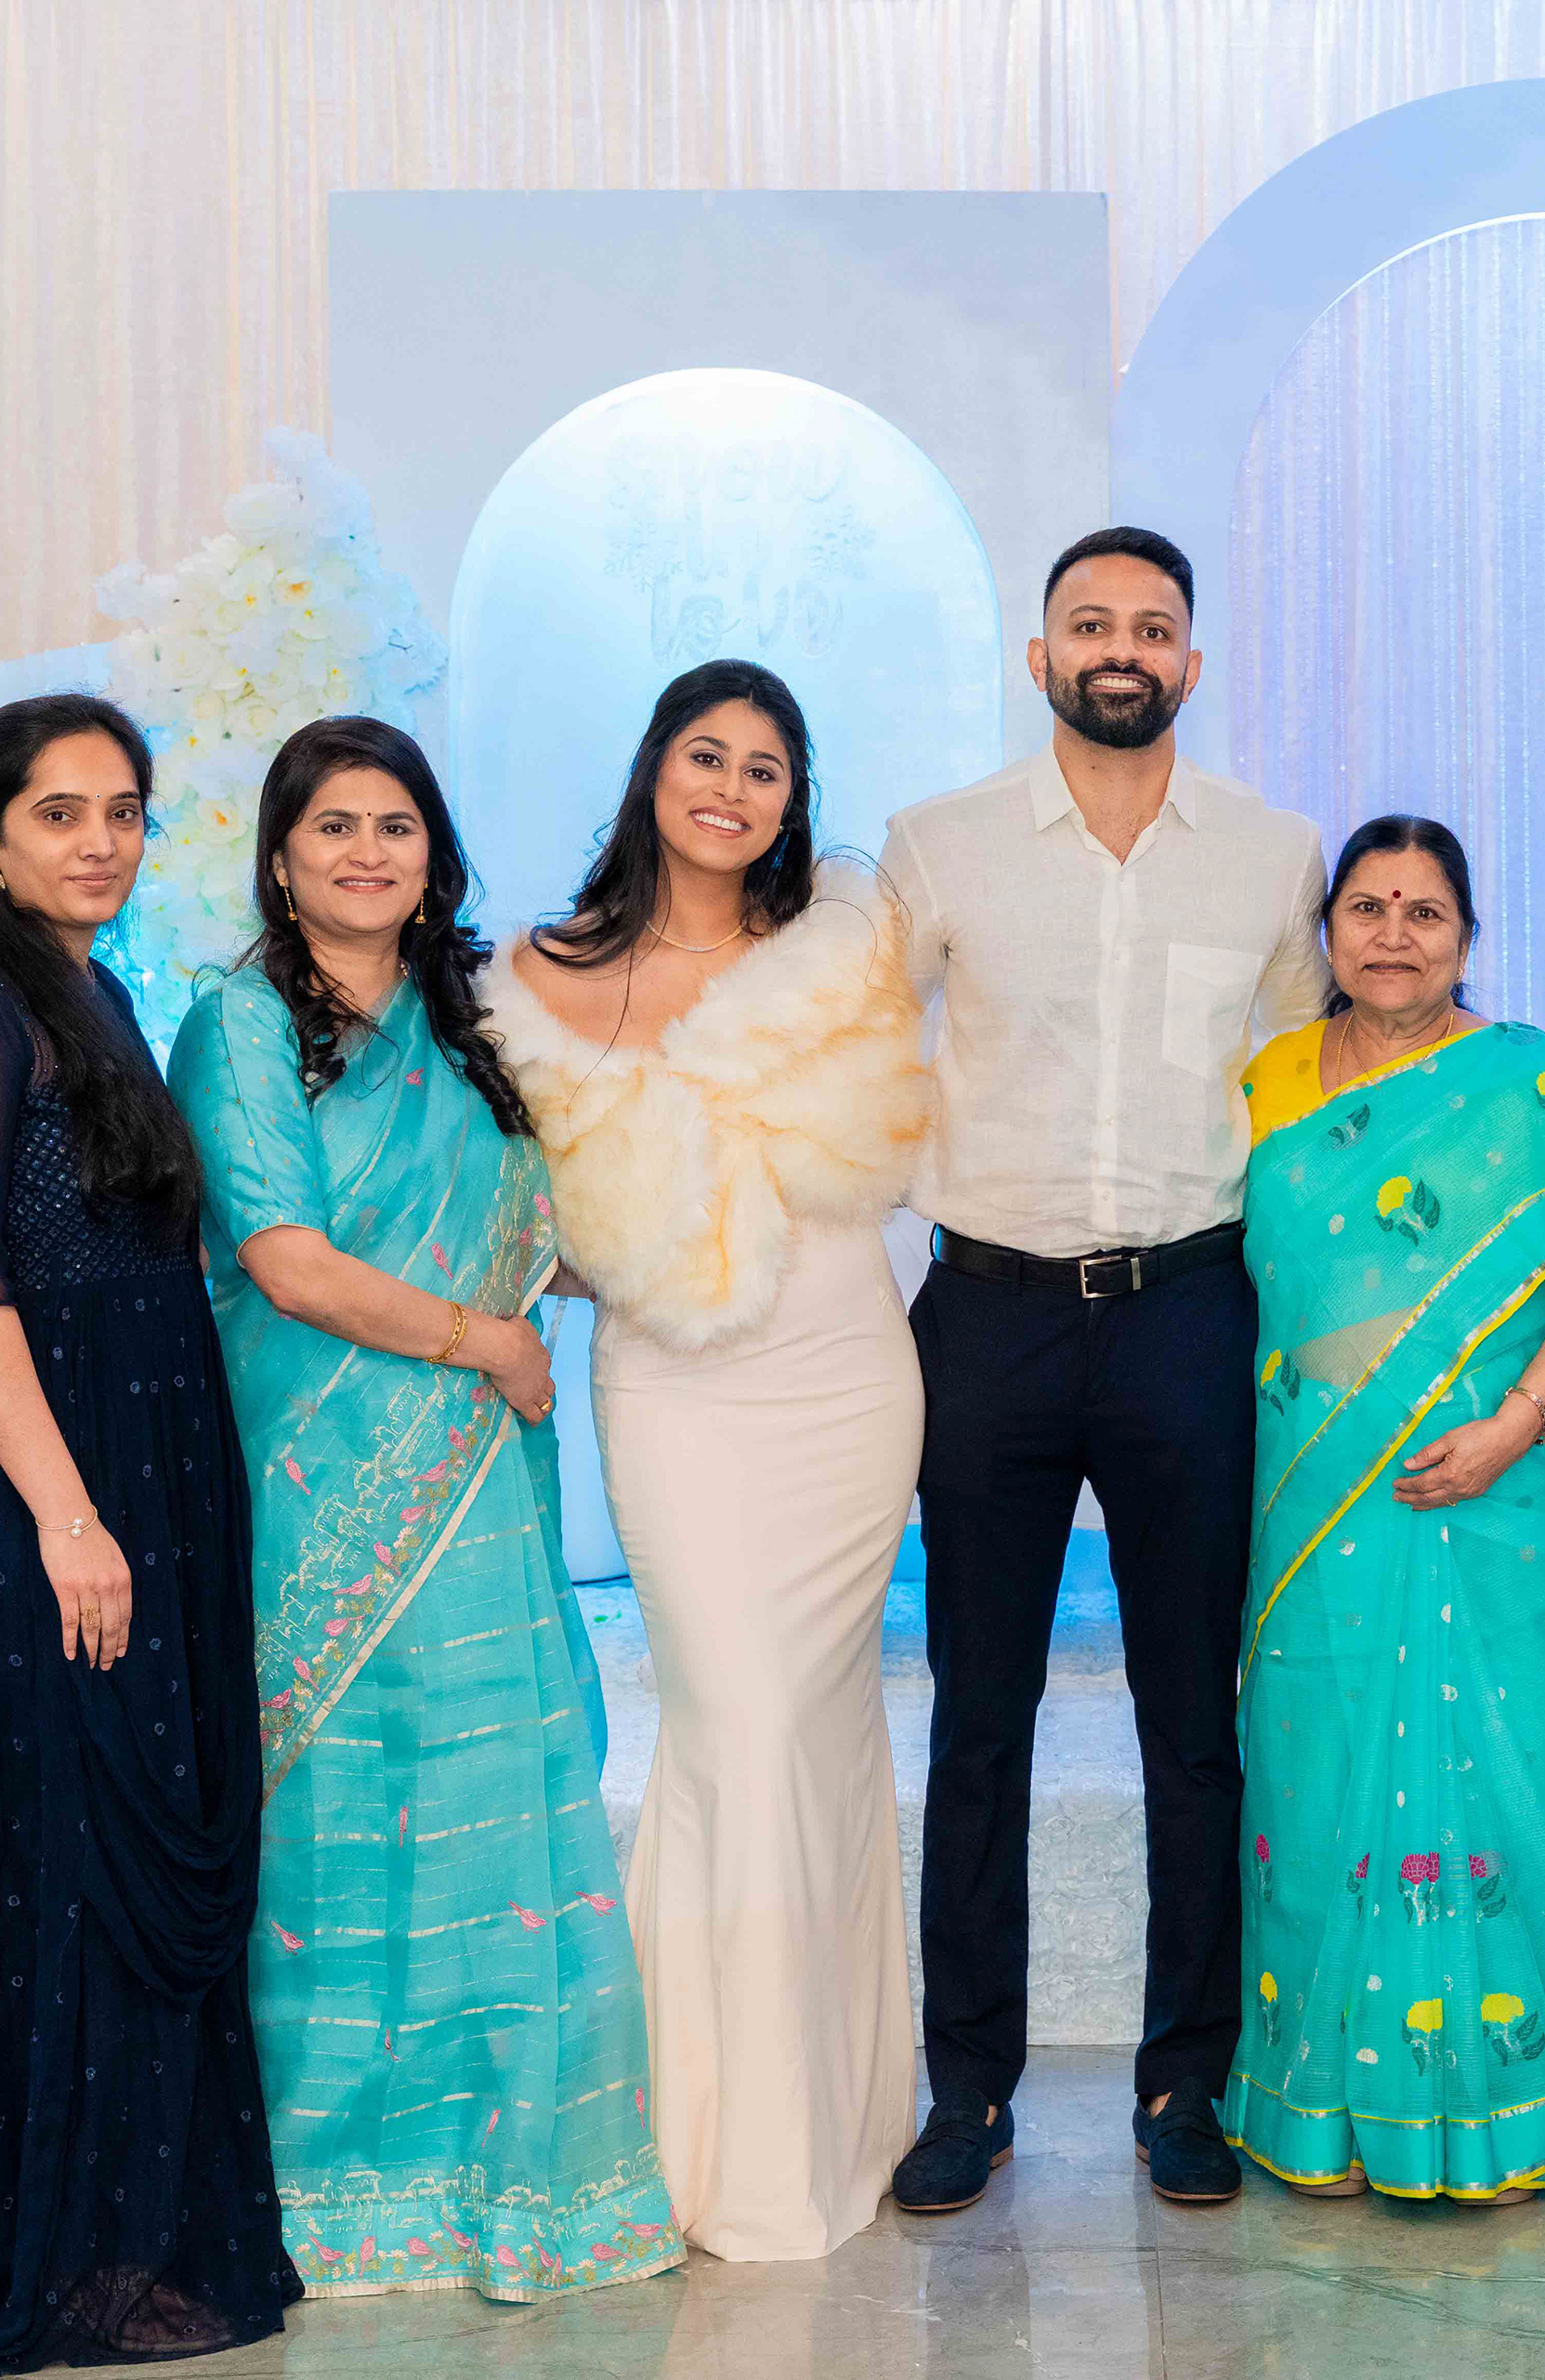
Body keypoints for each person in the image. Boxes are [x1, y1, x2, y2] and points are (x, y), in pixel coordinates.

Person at [167, 717, 681, 2296]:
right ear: (281, 855)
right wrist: (487, 1341)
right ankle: (327, 2185)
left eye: (395, 825)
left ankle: (520, 2175)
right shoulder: (241, 1022)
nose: (367, 851)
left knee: (493, 1799)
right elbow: (285, 1258)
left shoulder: (471, 1022)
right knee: (336, 1815)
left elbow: (546, 1218)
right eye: (334, 825)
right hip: (321, 1477)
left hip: (480, 1479)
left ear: (431, 855)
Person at [0, 691, 301, 2371]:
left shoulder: (84, 986)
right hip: (35, 1476)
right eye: (57, 812)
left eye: (122, 811)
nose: (99, 841)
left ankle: (114, 2230)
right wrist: (69, 1514)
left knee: (103, 1833)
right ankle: (37, 2254)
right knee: (51, 1840)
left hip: (126, 1462)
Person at [881, 528, 1329, 2214]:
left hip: (1190, 1310)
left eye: (1152, 626)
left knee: (1192, 1719)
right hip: (988, 1311)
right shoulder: (939, 846)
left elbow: (1301, 1090)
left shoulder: (1273, 856)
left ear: (1192, 663)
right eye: (1091, 623)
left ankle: (1186, 2083)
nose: (1121, 647)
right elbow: (852, 1057)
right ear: (1042, 654)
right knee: (978, 1717)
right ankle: (969, 2091)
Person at [484, 659, 932, 2261]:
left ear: (793, 801)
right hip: (673, 1385)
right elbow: (501, 1196)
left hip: (844, 1371)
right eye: (705, 754)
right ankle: (702, 2133)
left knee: (815, 1729)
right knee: (731, 1718)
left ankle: (841, 2118)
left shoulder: (843, 948)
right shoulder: (531, 973)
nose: (731, 787)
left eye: (765, 767)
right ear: (653, 770)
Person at [1221, 815, 1545, 2203]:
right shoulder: (1269, 1082)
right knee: (1315, 1778)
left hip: (1503, 1494)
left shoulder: (1532, 1084)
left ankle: (1501, 2113)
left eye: (1425, 911)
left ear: (1468, 935)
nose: (1394, 934)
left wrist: (1515, 1423)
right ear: (1328, 931)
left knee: (1515, 1782)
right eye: (1368, 907)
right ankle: (1320, 2110)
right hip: (1315, 1503)